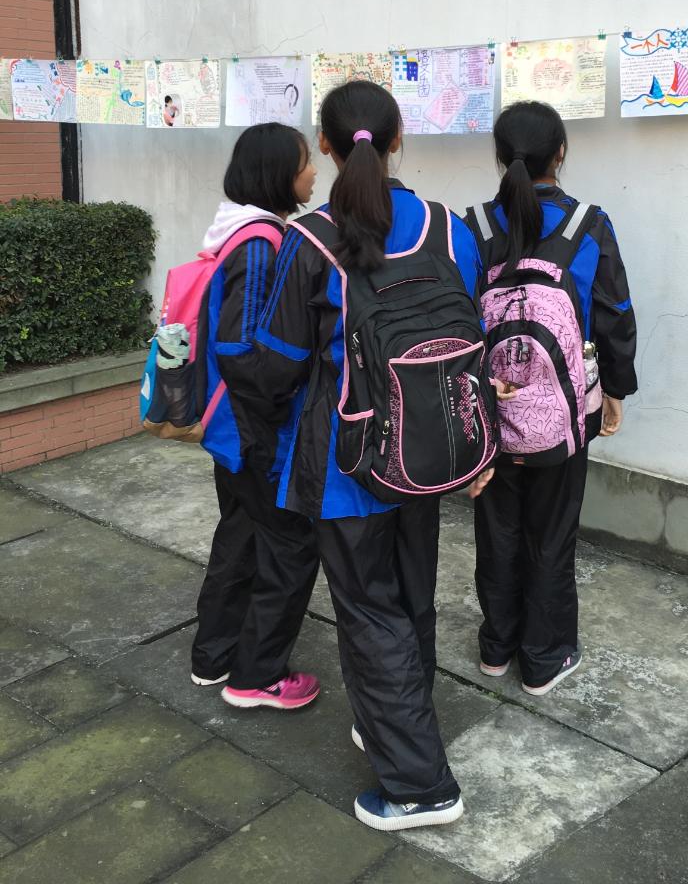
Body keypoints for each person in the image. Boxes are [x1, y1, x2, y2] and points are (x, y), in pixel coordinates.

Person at [231, 80, 491, 832]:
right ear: (399, 137)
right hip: (430, 450)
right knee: (409, 598)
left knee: (369, 613)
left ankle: (418, 786)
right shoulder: (449, 228)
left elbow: (275, 366)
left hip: (345, 464)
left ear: (326, 144)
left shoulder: (311, 239)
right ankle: (395, 722)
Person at [466, 100, 637, 696]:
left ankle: (496, 648)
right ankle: (544, 658)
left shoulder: (472, 227)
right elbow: (614, 312)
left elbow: (457, 320)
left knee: (497, 531)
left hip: (490, 410)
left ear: (499, 156)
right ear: (559, 153)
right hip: (564, 415)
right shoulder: (588, 225)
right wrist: (615, 390)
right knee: (552, 533)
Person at [190, 122, 322, 712]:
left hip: (229, 425)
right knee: (291, 543)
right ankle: (258, 675)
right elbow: (240, 347)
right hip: (251, 429)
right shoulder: (261, 244)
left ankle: (213, 656)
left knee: (242, 533)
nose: (313, 172)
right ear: (278, 173)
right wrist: (277, 412)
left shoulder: (236, 232)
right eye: (305, 161)